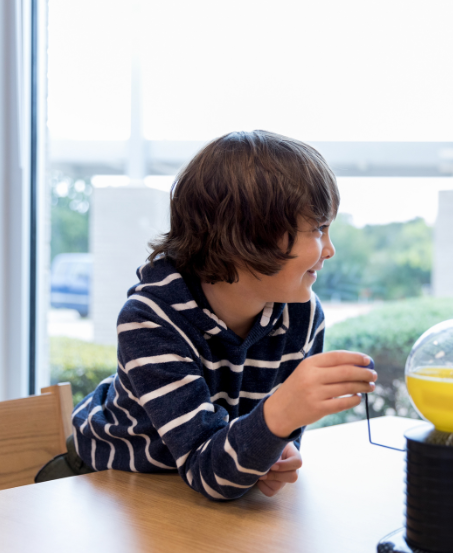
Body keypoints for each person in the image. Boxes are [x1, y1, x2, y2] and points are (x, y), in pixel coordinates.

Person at [44, 131, 377, 500]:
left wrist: (276, 452)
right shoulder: (151, 318)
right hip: (100, 486)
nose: (329, 249)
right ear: (250, 236)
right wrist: (280, 414)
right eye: (317, 229)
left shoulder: (301, 314)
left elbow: (262, 440)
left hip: (188, 492)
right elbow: (210, 471)